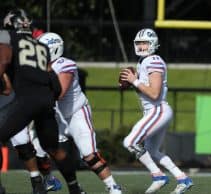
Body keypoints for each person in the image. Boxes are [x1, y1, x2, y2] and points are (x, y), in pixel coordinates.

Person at [0, 9, 84, 194]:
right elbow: (53, 80)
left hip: (25, 99)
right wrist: (48, 101)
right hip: (46, 99)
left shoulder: (7, 37)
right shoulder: (42, 47)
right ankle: (75, 188)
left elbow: (3, 61)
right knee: (54, 149)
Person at [36, 32, 122, 194]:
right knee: (38, 150)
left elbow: (58, 92)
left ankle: (113, 187)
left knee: (89, 155)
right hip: (56, 114)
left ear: (52, 50)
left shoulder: (64, 64)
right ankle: (49, 180)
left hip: (76, 113)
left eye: (41, 49)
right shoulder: (38, 66)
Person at [120, 28, 193, 194]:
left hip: (158, 110)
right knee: (152, 151)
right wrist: (129, 83)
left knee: (130, 142)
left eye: (144, 43)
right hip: (154, 111)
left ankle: (158, 176)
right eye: (138, 43)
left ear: (152, 44)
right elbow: (143, 87)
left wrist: (134, 81)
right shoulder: (143, 62)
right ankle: (183, 178)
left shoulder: (154, 60)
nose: (141, 46)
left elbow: (154, 93)